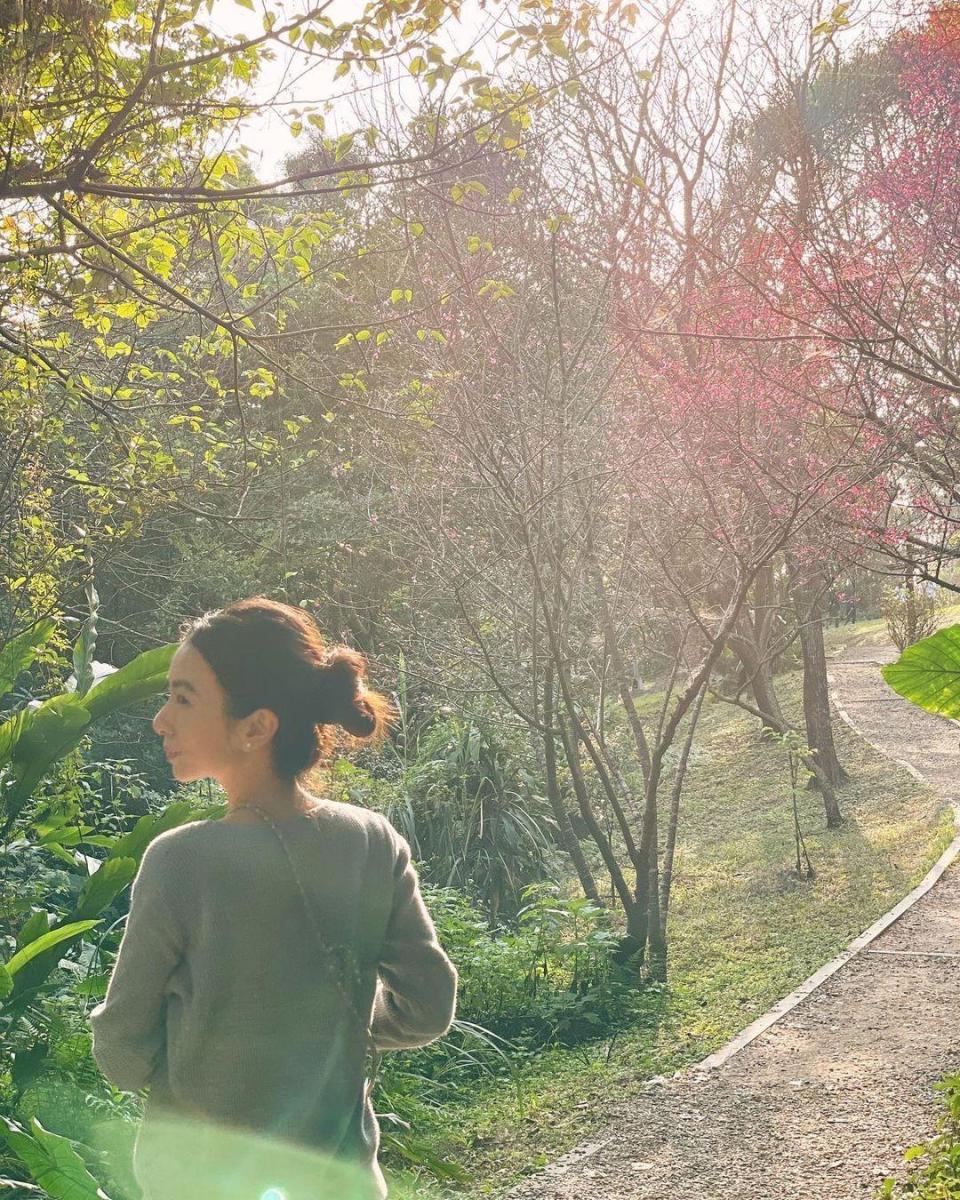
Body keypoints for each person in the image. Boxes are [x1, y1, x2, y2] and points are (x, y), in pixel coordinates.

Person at [89, 597, 458, 1200]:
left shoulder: (181, 861)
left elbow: (123, 1050)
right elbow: (428, 1006)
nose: (161, 719)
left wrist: (200, 1071)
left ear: (256, 726)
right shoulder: (371, 840)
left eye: (183, 698)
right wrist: (325, 1034)